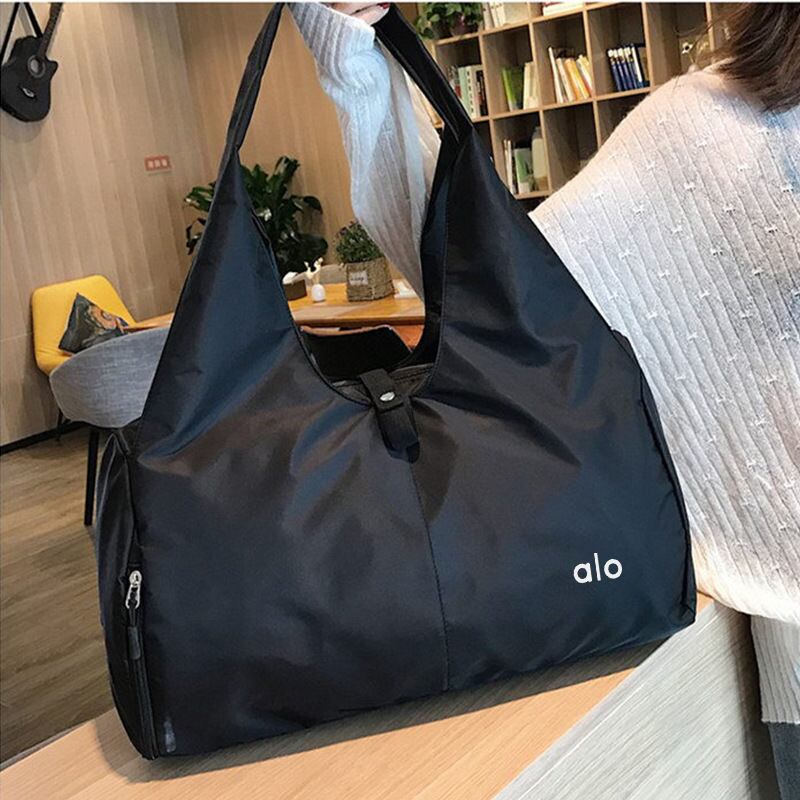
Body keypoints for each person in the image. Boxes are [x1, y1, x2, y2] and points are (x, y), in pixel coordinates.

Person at [291, 3, 799, 796]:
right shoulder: (713, 128)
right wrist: (354, 51)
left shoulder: (718, 124)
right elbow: (494, 279)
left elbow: (496, 282)